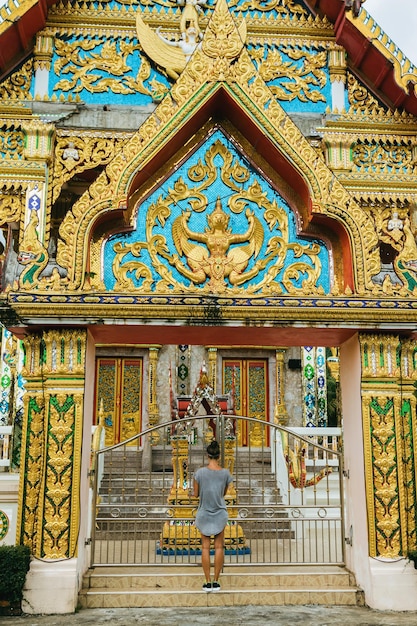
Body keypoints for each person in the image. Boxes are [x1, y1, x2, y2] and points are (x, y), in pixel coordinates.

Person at [193, 440, 233, 592]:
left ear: (207, 455)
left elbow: (196, 494)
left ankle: (207, 581)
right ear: (219, 455)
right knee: (218, 547)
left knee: (205, 548)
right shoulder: (225, 473)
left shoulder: (199, 473)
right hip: (219, 512)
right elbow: (223, 493)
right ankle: (216, 581)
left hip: (204, 512)